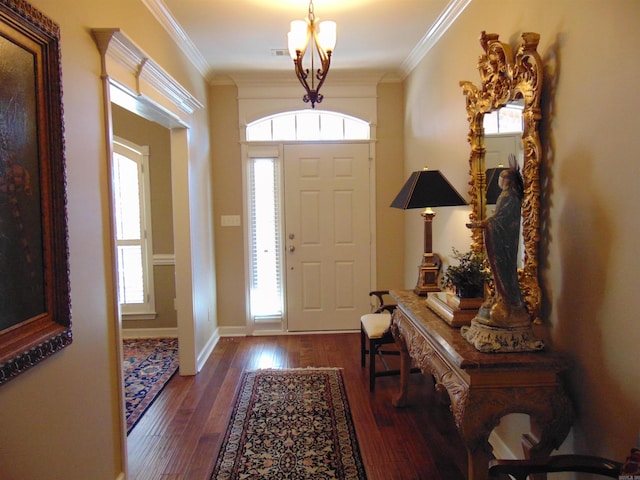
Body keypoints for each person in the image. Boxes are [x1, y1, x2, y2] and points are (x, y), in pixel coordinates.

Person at [467, 162, 528, 326]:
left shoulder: (509, 197)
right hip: (501, 239)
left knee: (504, 269)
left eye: (504, 178)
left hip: (505, 242)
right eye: (500, 178)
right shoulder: (507, 196)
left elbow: (500, 219)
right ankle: (501, 296)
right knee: (498, 270)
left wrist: (482, 224)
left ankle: (507, 299)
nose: (500, 181)